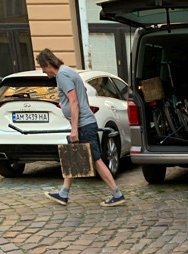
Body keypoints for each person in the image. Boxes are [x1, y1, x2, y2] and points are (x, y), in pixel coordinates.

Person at [36, 49, 125, 207]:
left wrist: (74, 129)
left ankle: (117, 194)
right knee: (72, 157)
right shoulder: (68, 71)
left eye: (43, 68)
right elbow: (79, 95)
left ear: (48, 64)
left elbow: (74, 101)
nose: (43, 71)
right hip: (85, 123)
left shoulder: (62, 75)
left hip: (83, 125)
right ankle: (63, 193)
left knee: (96, 160)